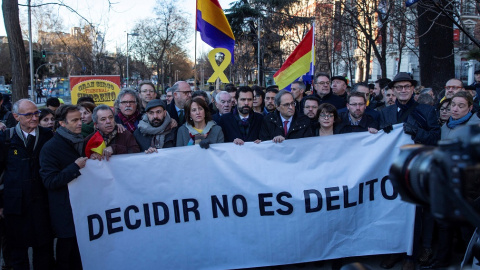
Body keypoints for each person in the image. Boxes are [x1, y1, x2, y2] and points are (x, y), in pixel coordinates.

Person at [0, 99, 54, 270]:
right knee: (17, 254)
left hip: (43, 205)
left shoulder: (48, 136)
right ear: (16, 116)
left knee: (44, 252)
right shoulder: (6, 138)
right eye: (28, 114)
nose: (34, 118)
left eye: (36, 113)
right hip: (15, 206)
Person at [40, 105, 88, 270]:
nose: (79, 123)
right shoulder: (50, 148)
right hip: (65, 211)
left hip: (83, 208)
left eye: (80, 119)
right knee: (66, 255)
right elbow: (50, 181)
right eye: (74, 120)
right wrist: (74, 167)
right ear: (61, 123)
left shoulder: (82, 140)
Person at [379, 72, 440, 146]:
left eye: (407, 86)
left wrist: (416, 131)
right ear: (393, 90)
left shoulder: (428, 110)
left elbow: (436, 139)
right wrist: (382, 130)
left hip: (417, 156)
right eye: (399, 87)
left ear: (412, 89)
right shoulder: (385, 113)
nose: (403, 90)